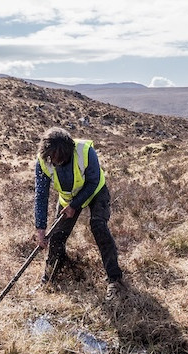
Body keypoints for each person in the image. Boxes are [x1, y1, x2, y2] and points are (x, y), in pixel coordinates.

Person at [34, 127, 124, 300]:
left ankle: (115, 279)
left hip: (95, 191)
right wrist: (40, 228)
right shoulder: (43, 160)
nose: (56, 163)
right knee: (57, 235)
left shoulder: (85, 151)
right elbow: (41, 195)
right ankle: (50, 277)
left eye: (60, 159)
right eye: (53, 159)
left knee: (98, 226)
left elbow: (93, 181)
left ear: (68, 151)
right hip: (68, 198)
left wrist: (75, 205)